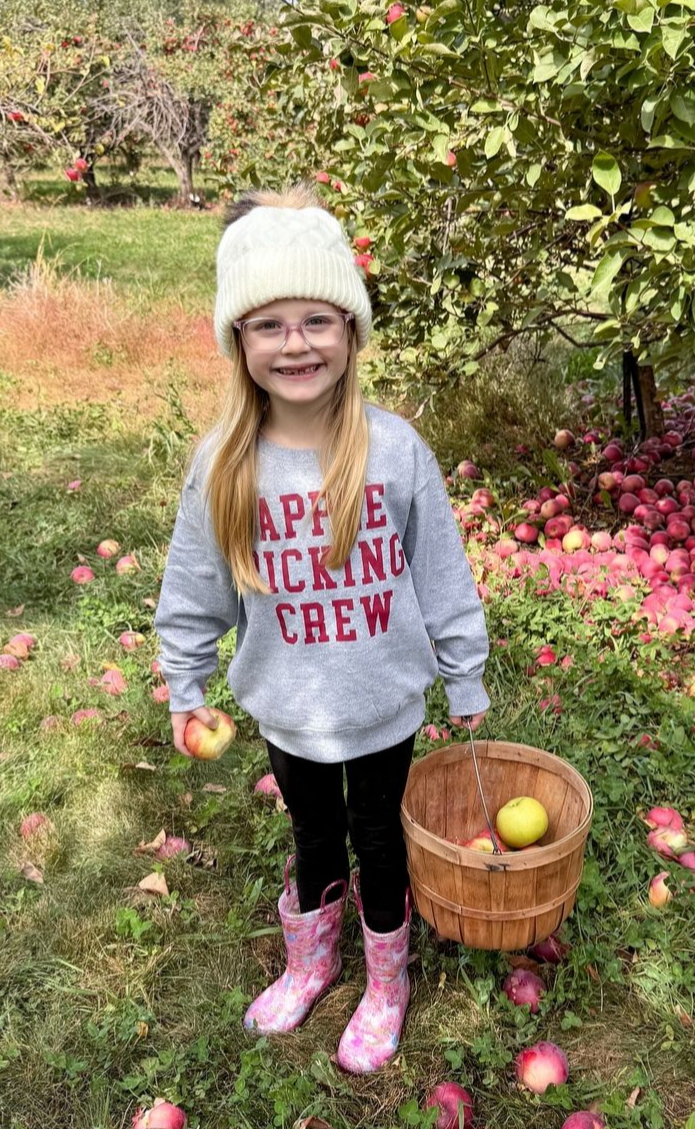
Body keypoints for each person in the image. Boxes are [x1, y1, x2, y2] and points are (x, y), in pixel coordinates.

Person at [153, 179, 490, 1073]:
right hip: (289, 708)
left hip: (382, 702)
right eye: (268, 324)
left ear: (351, 332)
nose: (295, 343)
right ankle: (310, 963)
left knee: (379, 838)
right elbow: (194, 590)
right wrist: (185, 684)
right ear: (238, 342)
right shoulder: (224, 464)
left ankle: (386, 981)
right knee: (312, 833)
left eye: (317, 319)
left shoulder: (394, 450)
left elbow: (441, 572)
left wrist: (465, 674)